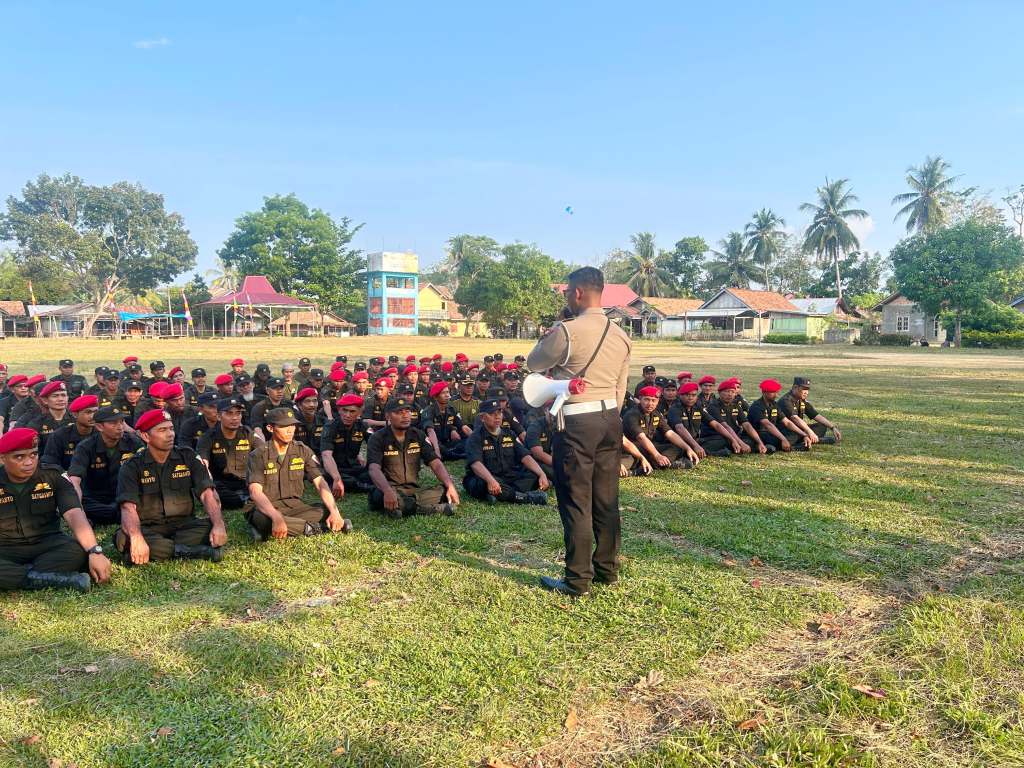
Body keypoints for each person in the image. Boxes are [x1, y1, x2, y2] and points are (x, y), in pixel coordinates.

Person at [527, 266, 631, 596]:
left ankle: (577, 580)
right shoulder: (622, 335)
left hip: (577, 423)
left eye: (567, 293)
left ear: (577, 293)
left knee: (576, 501)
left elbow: (533, 364)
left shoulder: (566, 331)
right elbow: (620, 389)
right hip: (610, 419)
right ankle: (607, 569)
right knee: (606, 499)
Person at [0, 428, 112, 593]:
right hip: (5, 547)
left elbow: (74, 514)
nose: (29, 462)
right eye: (19, 457)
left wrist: (95, 551)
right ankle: (53, 580)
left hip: (47, 543)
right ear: (2, 458)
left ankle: (19, 577)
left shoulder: (53, 475)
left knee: (78, 552)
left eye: (33, 454)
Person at [115, 409, 227, 564]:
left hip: (184, 525)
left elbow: (206, 493)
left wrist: (218, 525)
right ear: (145, 436)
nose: (170, 434)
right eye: (162, 430)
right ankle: (190, 551)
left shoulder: (188, 456)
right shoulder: (131, 466)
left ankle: (159, 551)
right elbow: (128, 507)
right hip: (148, 527)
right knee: (123, 538)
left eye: (171, 428)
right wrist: (137, 537)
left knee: (212, 524)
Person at [245, 407, 352, 540]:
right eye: (284, 426)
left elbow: (320, 482)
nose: (290, 430)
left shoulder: (302, 450)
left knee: (325, 510)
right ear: (270, 428)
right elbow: (255, 492)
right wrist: (276, 517)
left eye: (292, 425)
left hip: (295, 506)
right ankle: (318, 528)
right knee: (264, 519)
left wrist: (334, 512)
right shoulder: (258, 455)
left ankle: (279, 529)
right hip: (266, 508)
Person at [366, 396, 460, 519]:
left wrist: (450, 485)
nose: (405, 416)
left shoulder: (417, 435)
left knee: (444, 491)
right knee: (382, 497)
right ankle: (432, 508)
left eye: (407, 411)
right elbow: (373, 469)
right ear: (388, 416)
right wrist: (388, 491)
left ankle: (403, 507)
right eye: (399, 412)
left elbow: (435, 463)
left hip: (413, 490)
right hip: (387, 489)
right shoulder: (377, 438)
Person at [462, 397, 550, 504]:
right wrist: (491, 481)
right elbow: (476, 464)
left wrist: (542, 474)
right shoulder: (475, 437)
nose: (497, 417)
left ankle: (500, 494)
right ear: (482, 418)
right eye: (492, 414)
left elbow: (525, 456)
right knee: (482, 482)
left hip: (508, 477)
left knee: (534, 472)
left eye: (499, 413)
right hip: (487, 477)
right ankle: (524, 498)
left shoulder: (509, 434)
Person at [67, 406, 143, 525]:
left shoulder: (134, 442)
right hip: (95, 498)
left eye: (122, 421)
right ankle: (116, 514)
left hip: (125, 495)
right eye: (113, 423)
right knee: (81, 506)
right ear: (99, 426)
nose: (120, 427)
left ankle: (105, 516)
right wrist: (78, 509)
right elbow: (75, 480)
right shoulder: (85, 447)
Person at [196, 397, 260, 509]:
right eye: (229, 414)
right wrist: (210, 487)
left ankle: (248, 497)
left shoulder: (247, 433)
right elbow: (203, 464)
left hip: (246, 481)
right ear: (219, 416)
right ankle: (246, 499)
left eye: (238, 413)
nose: (235, 418)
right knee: (218, 494)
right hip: (221, 483)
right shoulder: (208, 437)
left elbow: (264, 451)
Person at [621, 386, 698, 469]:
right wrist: (657, 455)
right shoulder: (632, 415)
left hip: (650, 447)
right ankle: (661, 463)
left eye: (653, 400)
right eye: (646, 399)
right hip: (634, 449)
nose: (650, 404)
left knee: (679, 447)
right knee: (630, 460)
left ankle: (656, 463)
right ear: (640, 399)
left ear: (658, 401)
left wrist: (688, 448)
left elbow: (669, 433)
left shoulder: (655, 413)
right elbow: (641, 437)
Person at [320, 393, 372, 496]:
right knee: (348, 481)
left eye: (352, 411)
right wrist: (336, 478)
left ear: (359, 412)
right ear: (339, 410)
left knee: (374, 474)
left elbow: (376, 445)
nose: (347, 415)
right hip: (336, 469)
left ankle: (363, 485)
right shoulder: (330, 427)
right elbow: (326, 455)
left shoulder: (362, 426)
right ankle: (366, 487)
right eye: (345, 410)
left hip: (354, 467)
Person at [747, 379, 811, 452]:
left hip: (772, 433)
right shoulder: (757, 406)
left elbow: (787, 422)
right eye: (773, 392)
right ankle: (791, 447)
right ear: (764, 392)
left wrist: (804, 435)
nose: (776, 395)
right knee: (783, 438)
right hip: (759, 435)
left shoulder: (774, 404)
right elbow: (768, 425)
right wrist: (783, 439)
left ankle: (778, 446)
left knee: (796, 432)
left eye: (777, 392)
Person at [40, 394, 97, 471]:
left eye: (96, 411)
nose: (93, 416)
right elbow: (49, 463)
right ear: (75, 414)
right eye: (88, 412)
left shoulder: (102, 433)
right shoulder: (59, 436)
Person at [779, 377, 841, 446]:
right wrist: (810, 432)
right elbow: (795, 418)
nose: (806, 392)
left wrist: (832, 427)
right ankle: (808, 441)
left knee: (822, 426)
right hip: (787, 431)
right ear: (795, 387)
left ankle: (808, 439)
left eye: (808, 389)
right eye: (804, 389)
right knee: (793, 435)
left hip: (800, 430)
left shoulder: (801, 400)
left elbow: (816, 415)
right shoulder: (786, 401)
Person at [421, 381, 469, 460]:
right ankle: (455, 455)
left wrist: (477, 440)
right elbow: (430, 431)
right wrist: (437, 451)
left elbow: (463, 426)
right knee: (443, 451)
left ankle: (455, 454)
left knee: (467, 442)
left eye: (447, 392)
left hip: (447, 442)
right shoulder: (429, 411)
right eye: (443, 393)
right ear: (436, 397)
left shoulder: (451, 408)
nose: (447, 395)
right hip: (434, 443)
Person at [25, 381, 74, 453]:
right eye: (55, 396)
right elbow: (32, 449)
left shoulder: (77, 420)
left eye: (63, 395)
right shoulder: (36, 424)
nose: (60, 399)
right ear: (45, 400)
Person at [666, 382, 707, 460]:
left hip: (694, 440)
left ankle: (699, 452)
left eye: (693, 395)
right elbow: (679, 428)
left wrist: (734, 439)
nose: (690, 398)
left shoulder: (697, 407)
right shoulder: (675, 409)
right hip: (678, 442)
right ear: (680, 395)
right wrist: (696, 446)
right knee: (676, 450)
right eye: (687, 395)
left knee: (720, 439)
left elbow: (714, 423)